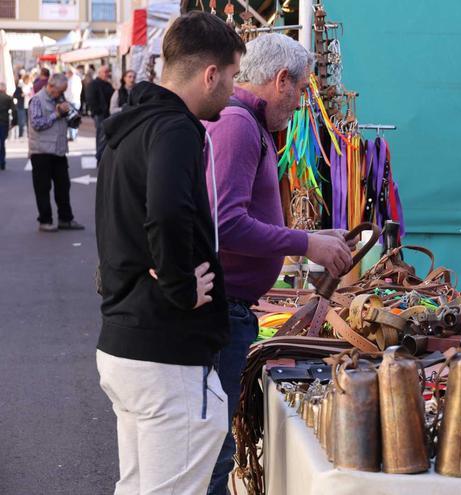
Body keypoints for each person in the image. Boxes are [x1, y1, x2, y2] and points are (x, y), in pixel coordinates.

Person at [95, 11, 246, 494]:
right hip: (165, 352)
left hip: (127, 342)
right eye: (233, 77)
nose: (233, 89)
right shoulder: (174, 128)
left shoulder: (129, 127)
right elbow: (165, 210)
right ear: (210, 74)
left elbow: (121, 220)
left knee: (140, 487)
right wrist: (182, 286)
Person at [201, 33, 354, 495]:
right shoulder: (238, 125)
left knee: (213, 446)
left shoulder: (247, 124)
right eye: (302, 88)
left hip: (231, 310)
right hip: (224, 311)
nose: (302, 100)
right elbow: (225, 223)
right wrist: (304, 242)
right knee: (213, 451)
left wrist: (312, 237)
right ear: (281, 80)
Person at [28, 74, 84, 232]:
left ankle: (66, 219)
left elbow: (71, 122)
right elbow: (37, 123)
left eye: (63, 91)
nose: (60, 94)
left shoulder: (60, 98)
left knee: (63, 186)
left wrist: (72, 116)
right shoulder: (37, 100)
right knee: (43, 188)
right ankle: (45, 220)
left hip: (58, 150)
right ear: (51, 86)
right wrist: (57, 114)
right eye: (59, 91)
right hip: (41, 151)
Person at [85, 65, 114, 161]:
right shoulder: (94, 84)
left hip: (108, 114)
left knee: (106, 137)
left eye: (108, 72)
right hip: (100, 115)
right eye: (105, 72)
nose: (107, 74)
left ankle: (103, 158)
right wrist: (97, 111)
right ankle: (100, 158)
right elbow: (90, 99)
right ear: (99, 73)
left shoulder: (108, 84)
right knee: (102, 137)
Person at [64, 68, 82, 141]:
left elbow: (69, 91)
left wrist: (66, 99)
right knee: (75, 117)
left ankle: (72, 135)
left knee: (71, 118)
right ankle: (74, 134)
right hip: (77, 100)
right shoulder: (77, 79)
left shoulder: (70, 80)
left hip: (71, 101)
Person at [0, 83, 13, 170]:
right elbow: (14, 110)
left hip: (3, 121)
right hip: (4, 121)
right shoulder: (8, 98)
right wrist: (14, 122)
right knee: (2, 142)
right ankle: (2, 161)